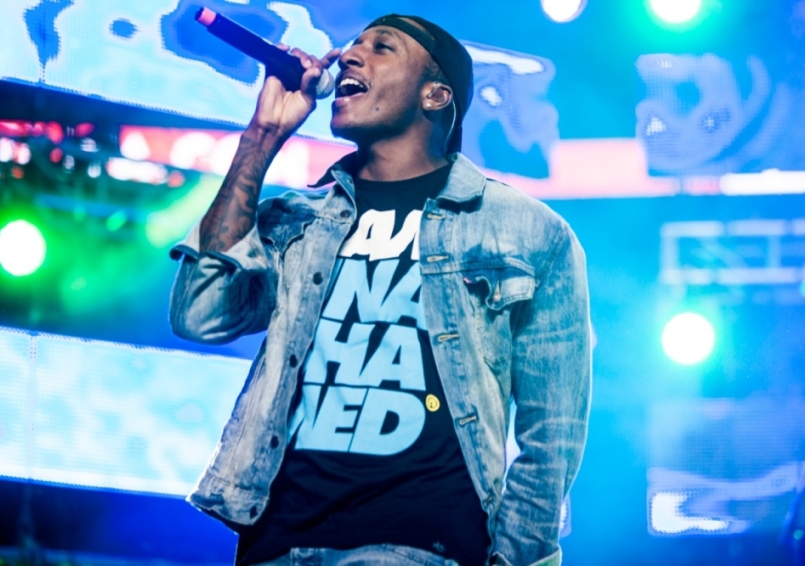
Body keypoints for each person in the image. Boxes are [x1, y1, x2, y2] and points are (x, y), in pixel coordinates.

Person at [169, 13, 591, 566]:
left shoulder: (528, 231)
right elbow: (201, 313)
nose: (348, 55)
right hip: (278, 545)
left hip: (424, 548)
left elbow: (552, 436)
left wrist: (512, 559)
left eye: (381, 47)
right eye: (351, 46)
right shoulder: (296, 217)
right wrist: (262, 137)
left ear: (436, 95)